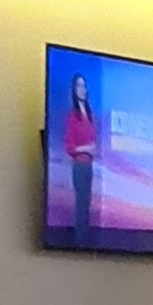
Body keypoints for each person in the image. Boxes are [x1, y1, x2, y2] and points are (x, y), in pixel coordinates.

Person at [61, 71, 97, 238]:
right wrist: (86, 149)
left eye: (84, 86)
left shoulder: (89, 114)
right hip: (79, 165)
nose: (82, 89)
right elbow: (69, 147)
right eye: (79, 86)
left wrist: (92, 149)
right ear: (74, 90)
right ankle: (79, 238)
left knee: (87, 204)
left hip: (89, 165)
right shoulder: (72, 116)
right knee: (81, 204)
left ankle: (84, 238)